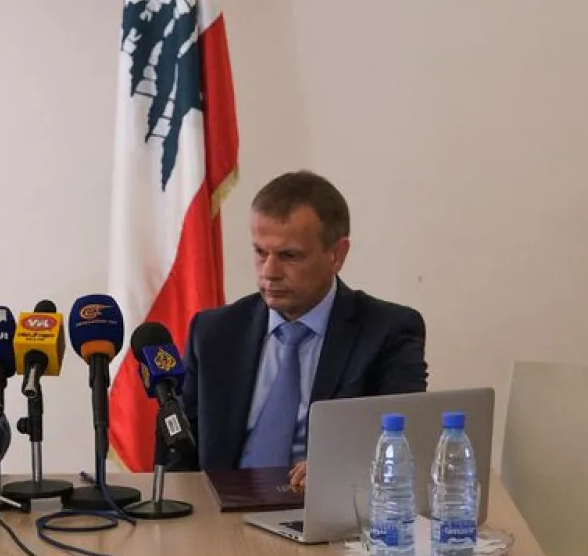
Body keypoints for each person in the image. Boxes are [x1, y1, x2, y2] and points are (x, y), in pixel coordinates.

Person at [172, 171, 428, 485]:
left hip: (324, 516)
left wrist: (340, 467)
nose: (269, 272)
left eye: (289, 256)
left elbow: (400, 441)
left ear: (337, 254)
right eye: (260, 252)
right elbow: (179, 456)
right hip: (222, 516)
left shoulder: (388, 332)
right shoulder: (213, 333)